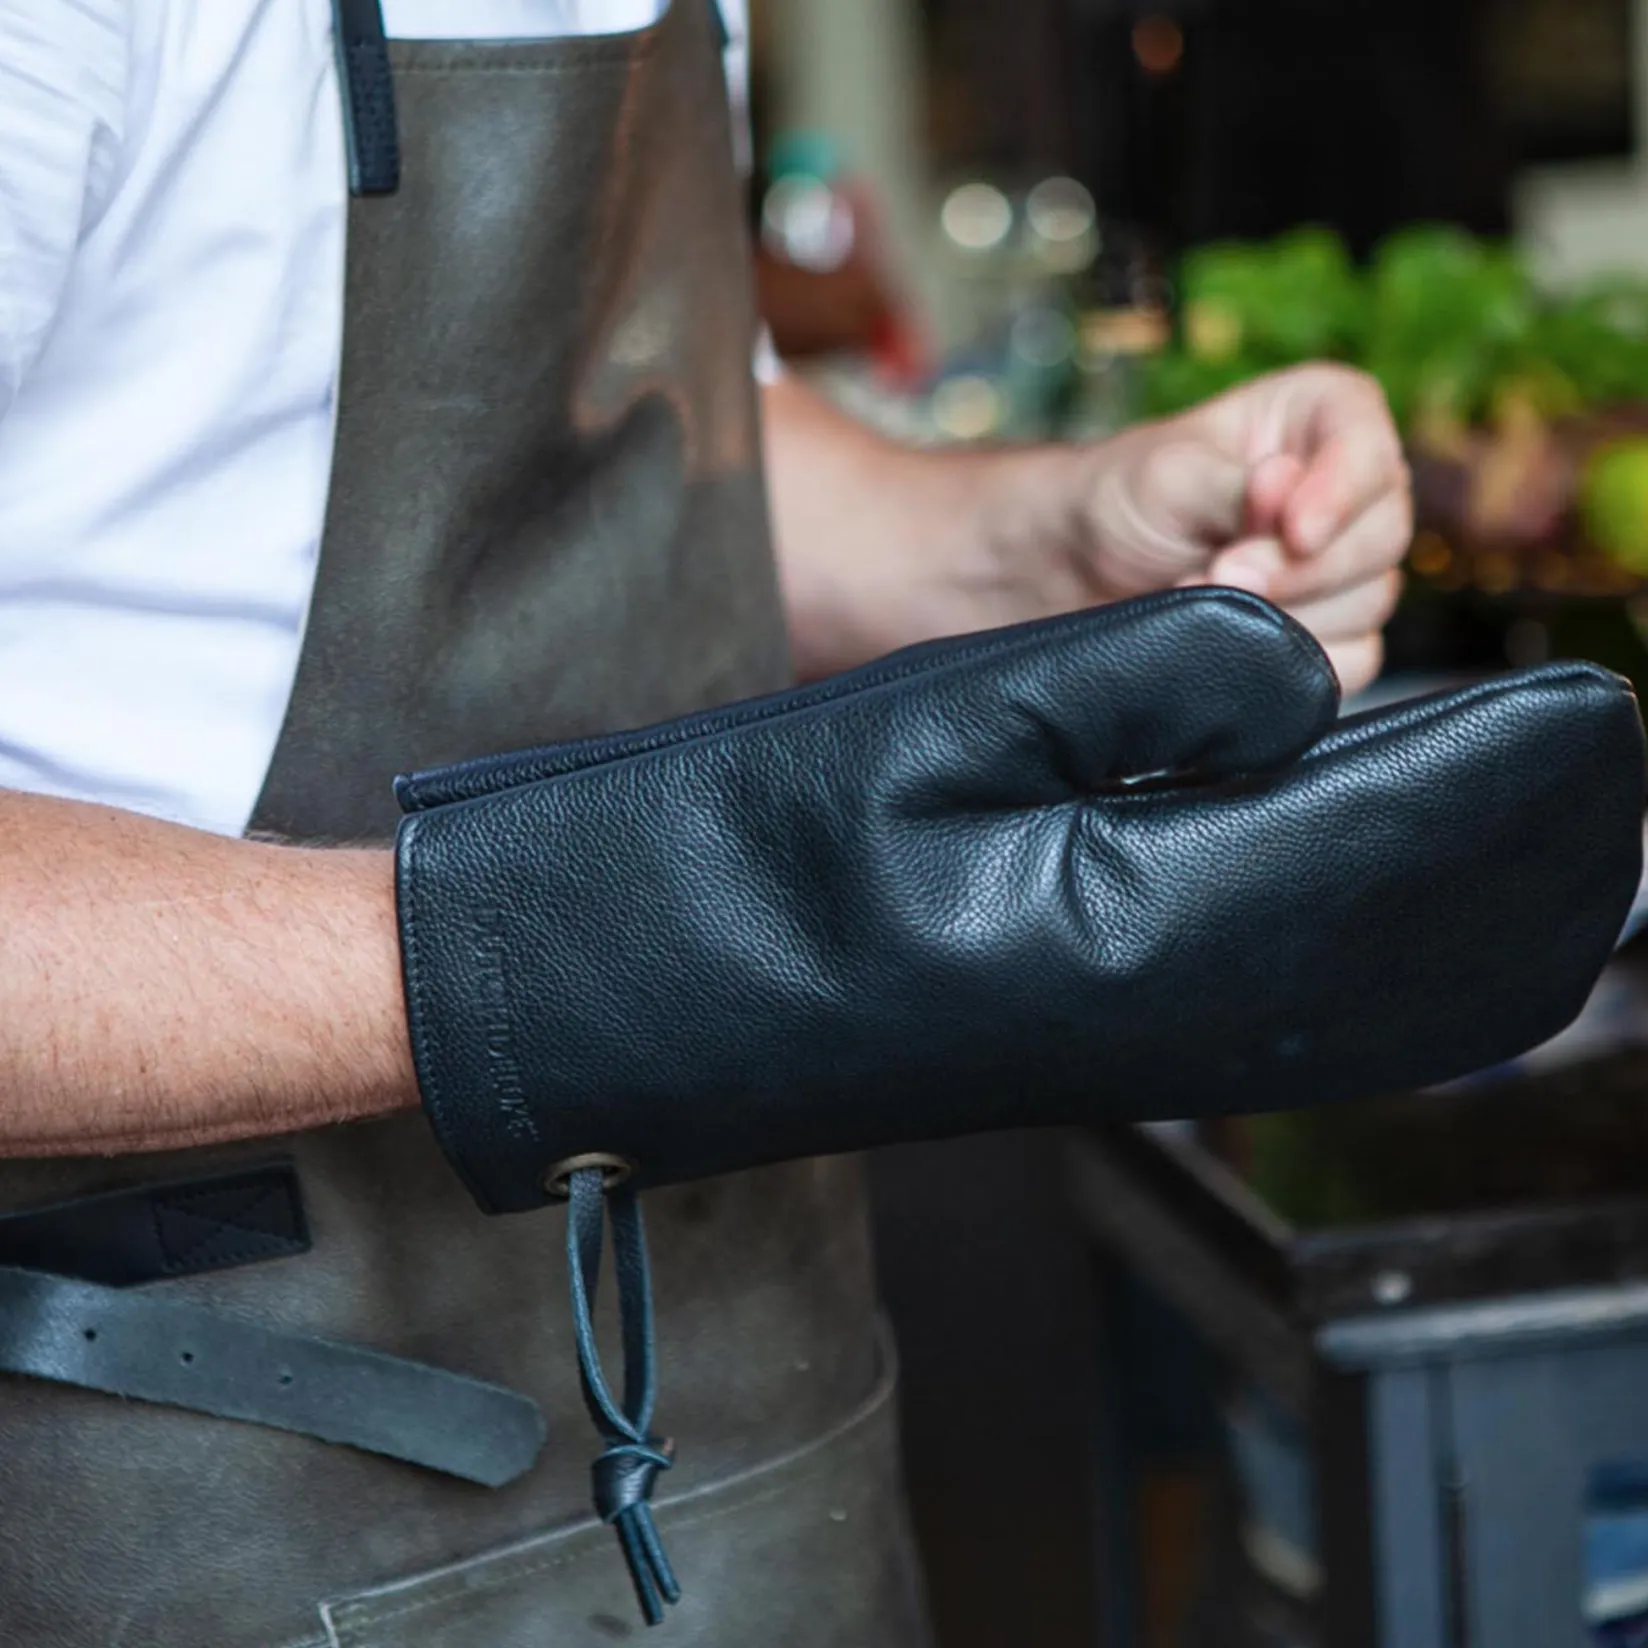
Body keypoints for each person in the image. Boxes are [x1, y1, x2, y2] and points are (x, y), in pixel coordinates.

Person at [0, 3, 1633, 1646]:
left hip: (746, 1398)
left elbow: (681, 431)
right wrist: (637, 949)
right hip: (197, 1471)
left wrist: (1049, 543)